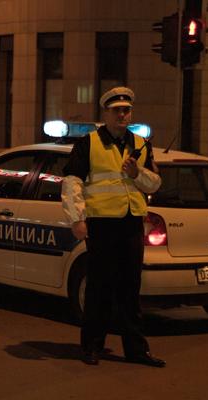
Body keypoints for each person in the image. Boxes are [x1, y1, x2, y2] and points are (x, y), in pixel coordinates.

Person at [61, 86, 165, 367]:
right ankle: (92, 346)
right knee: (99, 288)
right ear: (105, 113)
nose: (122, 114)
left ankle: (136, 350)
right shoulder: (88, 143)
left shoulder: (141, 143)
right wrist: (77, 219)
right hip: (102, 224)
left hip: (132, 223)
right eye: (117, 110)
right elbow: (72, 183)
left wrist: (137, 173)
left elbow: (154, 183)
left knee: (131, 289)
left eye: (126, 110)